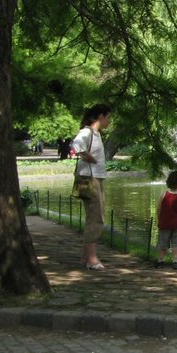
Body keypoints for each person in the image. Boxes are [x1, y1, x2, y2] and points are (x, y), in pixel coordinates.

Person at [72, 103, 112, 270]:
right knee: (96, 218)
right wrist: (86, 156)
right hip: (90, 179)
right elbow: (76, 144)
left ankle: (85, 257)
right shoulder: (87, 132)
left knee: (95, 217)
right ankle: (92, 259)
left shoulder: (96, 134)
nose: (110, 121)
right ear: (100, 117)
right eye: (108, 117)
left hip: (96, 178)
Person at [155, 170, 177, 269]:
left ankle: (160, 261)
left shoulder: (164, 195)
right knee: (176, 243)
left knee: (163, 243)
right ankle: (175, 262)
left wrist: (159, 219)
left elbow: (158, 209)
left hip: (164, 223)